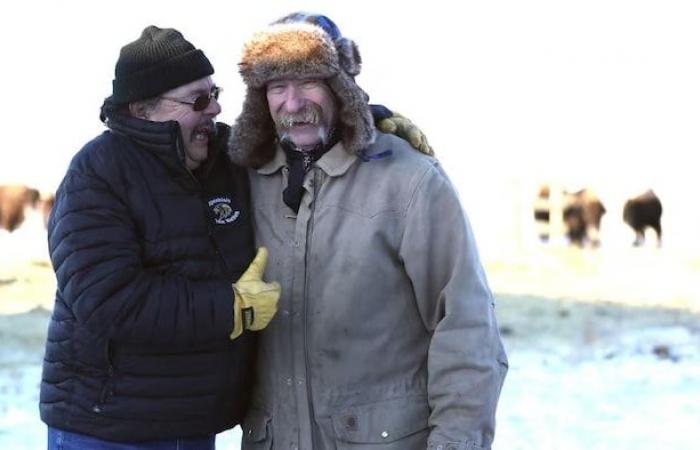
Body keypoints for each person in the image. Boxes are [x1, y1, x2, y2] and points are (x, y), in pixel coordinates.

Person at [228, 12, 509, 450]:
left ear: (341, 87)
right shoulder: (242, 180)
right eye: (277, 87)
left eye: (310, 82)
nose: (293, 102)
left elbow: (467, 329)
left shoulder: (409, 181)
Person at [39, 26, 281, 449]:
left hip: (192, 423)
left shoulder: (226, 156)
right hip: (108, 428)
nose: (216, 108)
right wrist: (231, 308)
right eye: (199, 100)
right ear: (143, 109)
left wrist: (369, 119)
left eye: (215, 92)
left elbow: (298, 132)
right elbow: (107, 298)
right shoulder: (98, 172)